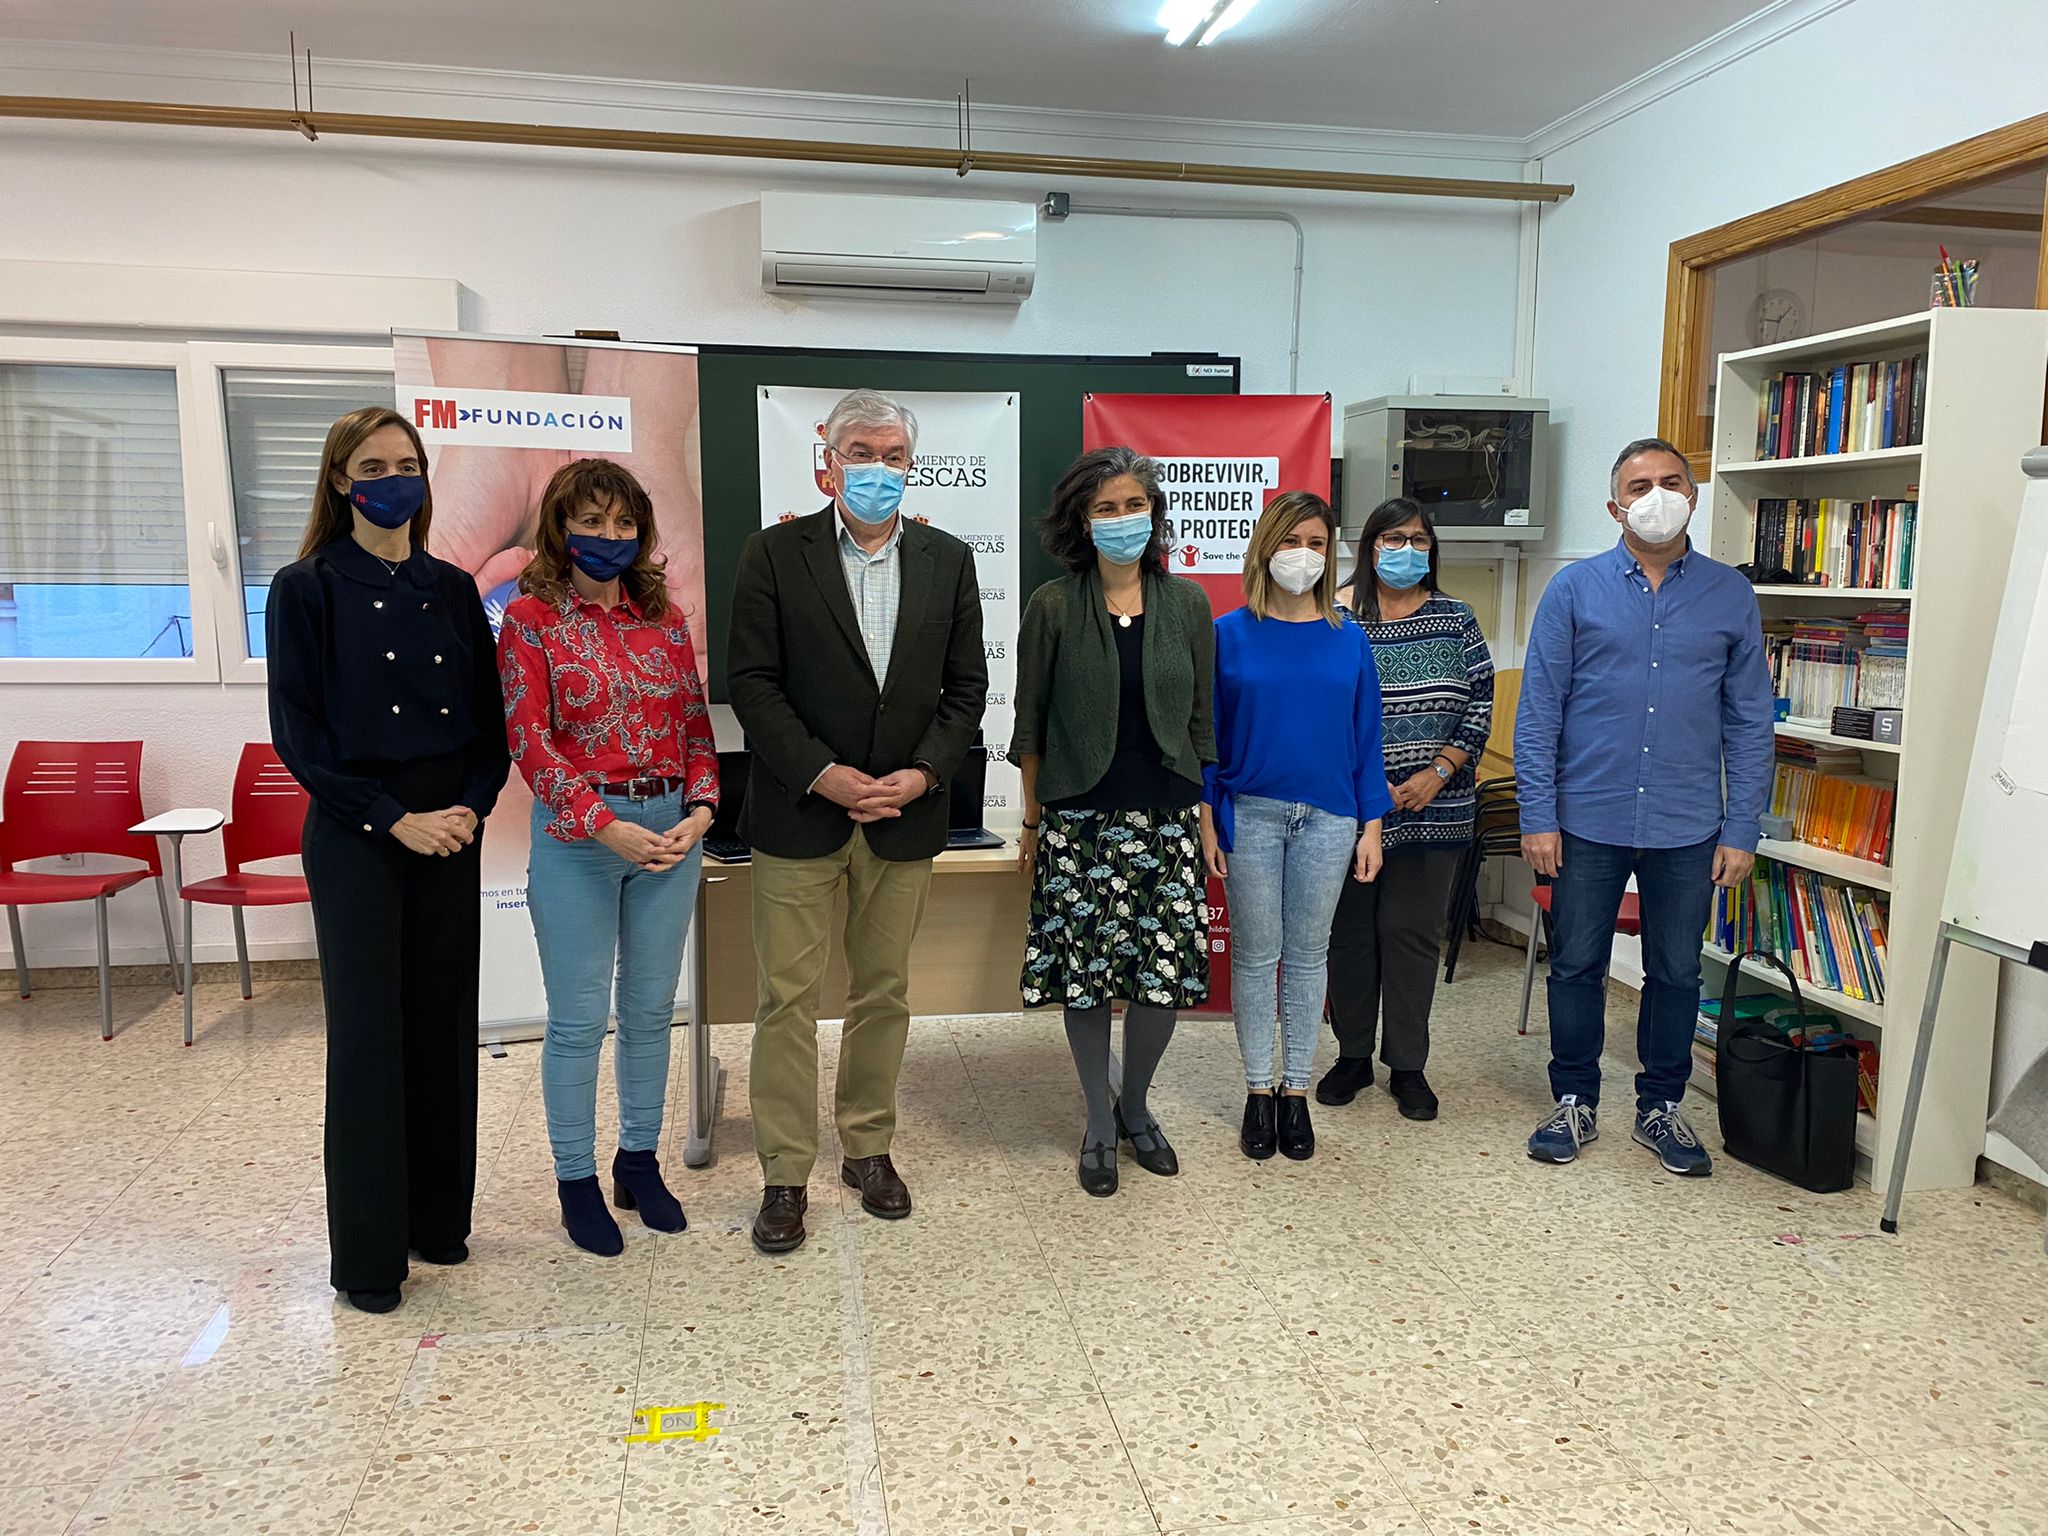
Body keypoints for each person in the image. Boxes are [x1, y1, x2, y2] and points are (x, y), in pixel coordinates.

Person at [726, 388, 988, 1254]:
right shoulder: (773, 553)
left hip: (903, 817)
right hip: (800, 812)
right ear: (830, 462)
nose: (880, 469)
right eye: (863, 454)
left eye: (894, 456)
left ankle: (868, 1149)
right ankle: (784, 1172)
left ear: (913, 466)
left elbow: (967, 688)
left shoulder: (949, 560)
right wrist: (824, 774)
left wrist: (923, 774)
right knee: (786, 1001)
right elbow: (752, 683)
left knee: (884, 992)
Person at [267, 406, 510, 1314]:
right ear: (340, 480)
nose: (392, 480)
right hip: (358, 833)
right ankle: (370, 1256)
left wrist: (469, 809)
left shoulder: (451, 587)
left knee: (443, 1024)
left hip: (449, 829)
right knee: (370, 1038)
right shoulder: (305, 588)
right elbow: (298, 734)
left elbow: (489, 726)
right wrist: (391, 820)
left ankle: (438, 1222)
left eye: (406, 464)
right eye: (372, 467)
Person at [1515, 436, 1773, 1176]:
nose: (1656, 496)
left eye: (1670, 482)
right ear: (1614, 506)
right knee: (1576, 964)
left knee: (1677, 972)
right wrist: (1538, 815)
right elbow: (1539, 713)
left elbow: (1750, 720)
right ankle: (1574, 1098)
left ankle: (1661, 1105)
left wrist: (1742, 826)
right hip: (1586, 818)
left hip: (1688, 824)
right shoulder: (1574, 590)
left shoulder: (1730, 595)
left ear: (1693, 495)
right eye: (1639, 486)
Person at [497, 459, 719, 1256]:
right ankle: (575, 1181)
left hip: (670, 834)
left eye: (624, 523)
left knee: (653, 1012)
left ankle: (637, 1162)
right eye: (591, 521)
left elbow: (696, 726)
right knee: (580, 1020)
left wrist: (701, 811)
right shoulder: (530, 619)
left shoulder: (664, 617)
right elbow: (530, 740)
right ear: (561, 527)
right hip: (580, 840)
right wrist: (602, 824)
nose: (609, 535)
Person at [1013, 447, 1216, 1197]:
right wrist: (1032, 823)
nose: (1123, 518)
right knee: (1088, 979)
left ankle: (1136, 1105)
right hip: (1079, 822)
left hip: (1168, 816)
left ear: (1155, 513)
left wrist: (1205, 819)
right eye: (1106, 507)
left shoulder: (1188, 603)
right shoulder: (1053, 605)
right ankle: (1099, 1121)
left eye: (1135, 504)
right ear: (1082, 521)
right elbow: (1030, 723)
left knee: (1162, 980)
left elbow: (1202, 721)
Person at [1202, 491, 1391, 1163]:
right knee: (1257, 955)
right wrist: (1208, 819)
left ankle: (1296, 1091)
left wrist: (1372, 826)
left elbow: (1367, 738)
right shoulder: (1226, 634)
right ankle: (1259, 1089)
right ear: (1264, 547)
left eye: (1316, 542)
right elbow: (1207, 737)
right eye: (1290, 540)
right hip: (1249, 813)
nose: (1303, 554)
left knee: (1310, 955)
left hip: (1331, 819)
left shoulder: (1350, 638)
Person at [1319, 498, 1495, 1121]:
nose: (1407, 550)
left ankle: (1408, 1066)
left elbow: (1480, 704)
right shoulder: (1335, 616)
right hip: (1347, 808)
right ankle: (1352, 1056)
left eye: (1419, 540)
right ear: (1369, 545)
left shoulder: (1456, 619)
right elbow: (1318, 707)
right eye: (1393, 538)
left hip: (1435, 810)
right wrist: (1366, 786)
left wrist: (1437, 772)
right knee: (1349, 935)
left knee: (1410, 934)